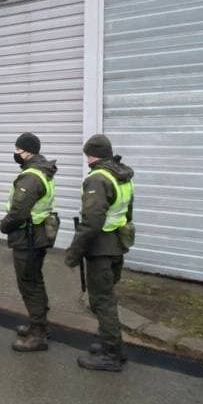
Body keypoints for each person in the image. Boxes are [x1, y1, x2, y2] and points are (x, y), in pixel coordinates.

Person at [65, 134, 135, 372]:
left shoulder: (98, 179)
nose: (86, 160)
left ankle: (111, 355)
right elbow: (128, 213)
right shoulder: (122, 176)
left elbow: (92, 221)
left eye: (87, 155)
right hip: (117, 243)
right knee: (107, 296)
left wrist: (74, 252)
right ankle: (113, 344)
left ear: (92, 154)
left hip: (100, 247)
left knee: (101, 300)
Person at [0, 132, 59, 352]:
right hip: (38, 234)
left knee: (29, 284)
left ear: (27, 151)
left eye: (18, 150)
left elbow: (18, 211)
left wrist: (4, 226)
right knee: (35, 280)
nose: (15, 154)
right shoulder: (43, 171)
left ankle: (38, 335)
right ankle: (39, 324)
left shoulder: (31, 177)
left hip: (28, 237)